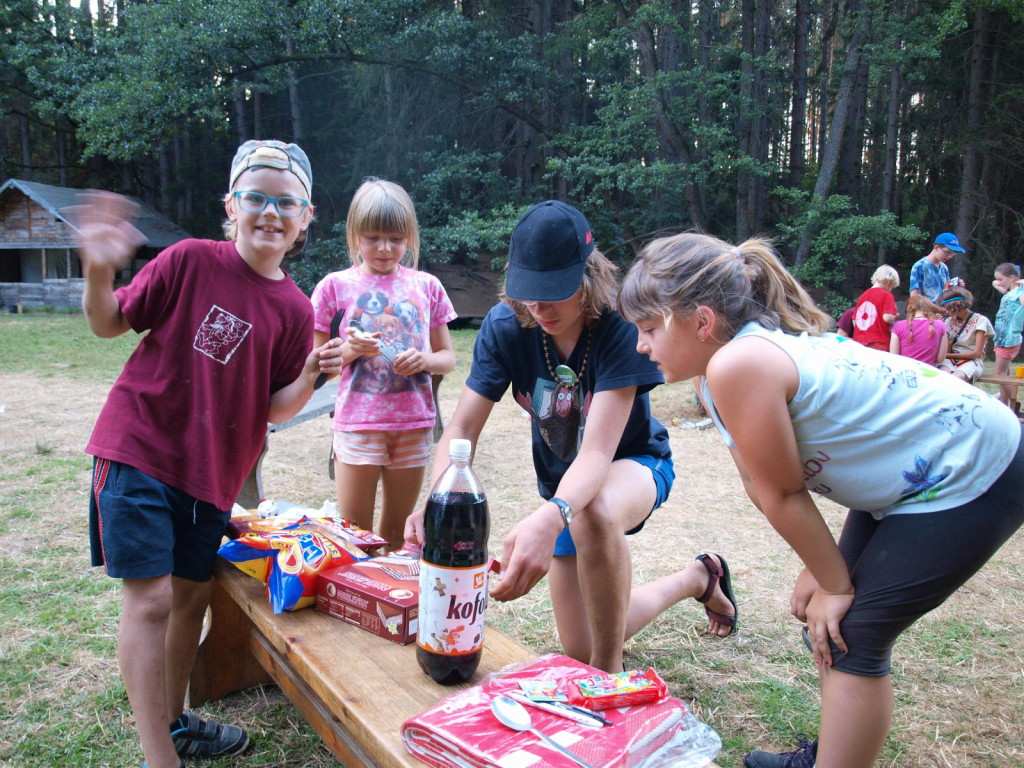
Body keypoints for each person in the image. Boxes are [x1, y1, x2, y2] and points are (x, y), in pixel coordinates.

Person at [619, 232, 1023, 768]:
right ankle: (834, 754)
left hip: (975, 465)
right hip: (916, 475)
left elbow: (781, 491)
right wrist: (825, 569)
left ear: (701, 321)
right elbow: (767, 485)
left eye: (648, 329)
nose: (641, 345)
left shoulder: (738, 365)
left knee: (855, 631)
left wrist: (834, 580)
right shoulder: (734, 364)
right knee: (831, 618)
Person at [80, 140, 344, 768]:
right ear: (231, 205)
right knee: (150, 600)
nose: (270, 212)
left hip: (211, 476)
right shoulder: (191, 260)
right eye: (257, 197)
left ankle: (173, 721)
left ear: (307, 218)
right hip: (138, 448)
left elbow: (277, 407)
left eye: (287, 202)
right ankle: (159, 757)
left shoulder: (294, 308)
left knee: (192, 598)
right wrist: (96, 271)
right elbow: (108, 322)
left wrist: (310, 372)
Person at [404, 201, 738, 674]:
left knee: (594, 513)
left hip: (634, 465)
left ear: (588, 276)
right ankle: (697, 578)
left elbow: (599, 452)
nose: (539, 308)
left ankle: (609, 678)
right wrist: (438, 500)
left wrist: (553, 515)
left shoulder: (620, 326)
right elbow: (460, 431)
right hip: (564, 493)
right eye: (528, 293)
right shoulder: (506, 327)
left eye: (553, 293)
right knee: (583, 642)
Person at [311, 179, 457, 548]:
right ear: (354, 234)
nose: (385, 248)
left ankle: (386, 603)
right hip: (358, 425)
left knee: (396, 533)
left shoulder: (427, 286)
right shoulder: (334, 287)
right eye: (373, 237)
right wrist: (352, 350)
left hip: (413, 425)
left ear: (409, 236)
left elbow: (448, 359)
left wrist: (423, 360)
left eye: (395, 237)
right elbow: (319, 369)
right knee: (353, 534)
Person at [937, 286, 993, 384]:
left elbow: (977, 354)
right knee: (942, 377)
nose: (947, 312)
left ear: (957, 307)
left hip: (971, 362)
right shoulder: (948, 321)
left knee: (956, 379)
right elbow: (948, 349)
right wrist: (944, 329)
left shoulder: (980, 321)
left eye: (948, 309)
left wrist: (945, 355)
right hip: (951, 360)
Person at [991, 262, 1024, 406]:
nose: (998, 282)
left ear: (1012, 278)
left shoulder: (1020, 293)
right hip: (1003, 338)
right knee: (1005, 374)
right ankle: (1004, 404)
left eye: (1001, 279)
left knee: (999, 374)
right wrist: (997, 282)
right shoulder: (1010, 292)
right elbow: (995, 284)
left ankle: (1013, 401)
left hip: (1009, 339)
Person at [889, 294, 947, 365]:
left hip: (906, 372)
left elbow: (894, 358)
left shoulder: (898, 326)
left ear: (908, 309)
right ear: (929, 308)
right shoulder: (941, 325)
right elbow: (940, 359)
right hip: (929, 373)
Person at [851, 265, 899, 350]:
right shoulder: (887, 295)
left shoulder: (862, 296)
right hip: (879, 344)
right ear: (888, 282)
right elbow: (887, 318)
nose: (891, 289)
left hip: (859, 343)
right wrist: (894, 316)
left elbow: (854, 320)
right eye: (892, 286)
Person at [908, 232, 964, 302]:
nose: (949, 256)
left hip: (943, 310)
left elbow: (946, 293)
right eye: (947, 252)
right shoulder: (920, 266)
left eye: (953, 254)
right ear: (936, 247)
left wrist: (955, 287)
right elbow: (914, 296)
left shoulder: (944, 268)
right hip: (926, 311)